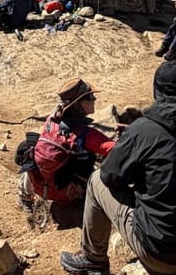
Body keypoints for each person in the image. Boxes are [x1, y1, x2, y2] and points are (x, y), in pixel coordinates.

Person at [60, 61, 176, 275]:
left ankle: (93, 260)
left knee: (95, 181)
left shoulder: (144, 129)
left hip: (162, 255)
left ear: (156, 90)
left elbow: (110, 176)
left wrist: (135, 163)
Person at [17, 78, 116, 212]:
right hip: (68, 196)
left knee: (31, 146)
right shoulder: (85, 134)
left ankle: (24, 197)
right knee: (93, 166)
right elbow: (116, 150)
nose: (94, 100)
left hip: (41, 188)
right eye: (90, 97)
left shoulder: (51, 123)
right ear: (78, 104)